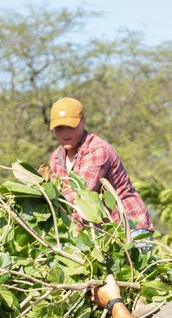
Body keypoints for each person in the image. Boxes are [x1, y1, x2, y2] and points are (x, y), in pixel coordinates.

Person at [45, 96, 154, 232]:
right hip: (103, 235)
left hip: (130, 229)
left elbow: (81, 196)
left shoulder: (97, 150)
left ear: (83, 123)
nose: (65, 133)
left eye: (70, 126)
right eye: (59, 128)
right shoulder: (56, 158)